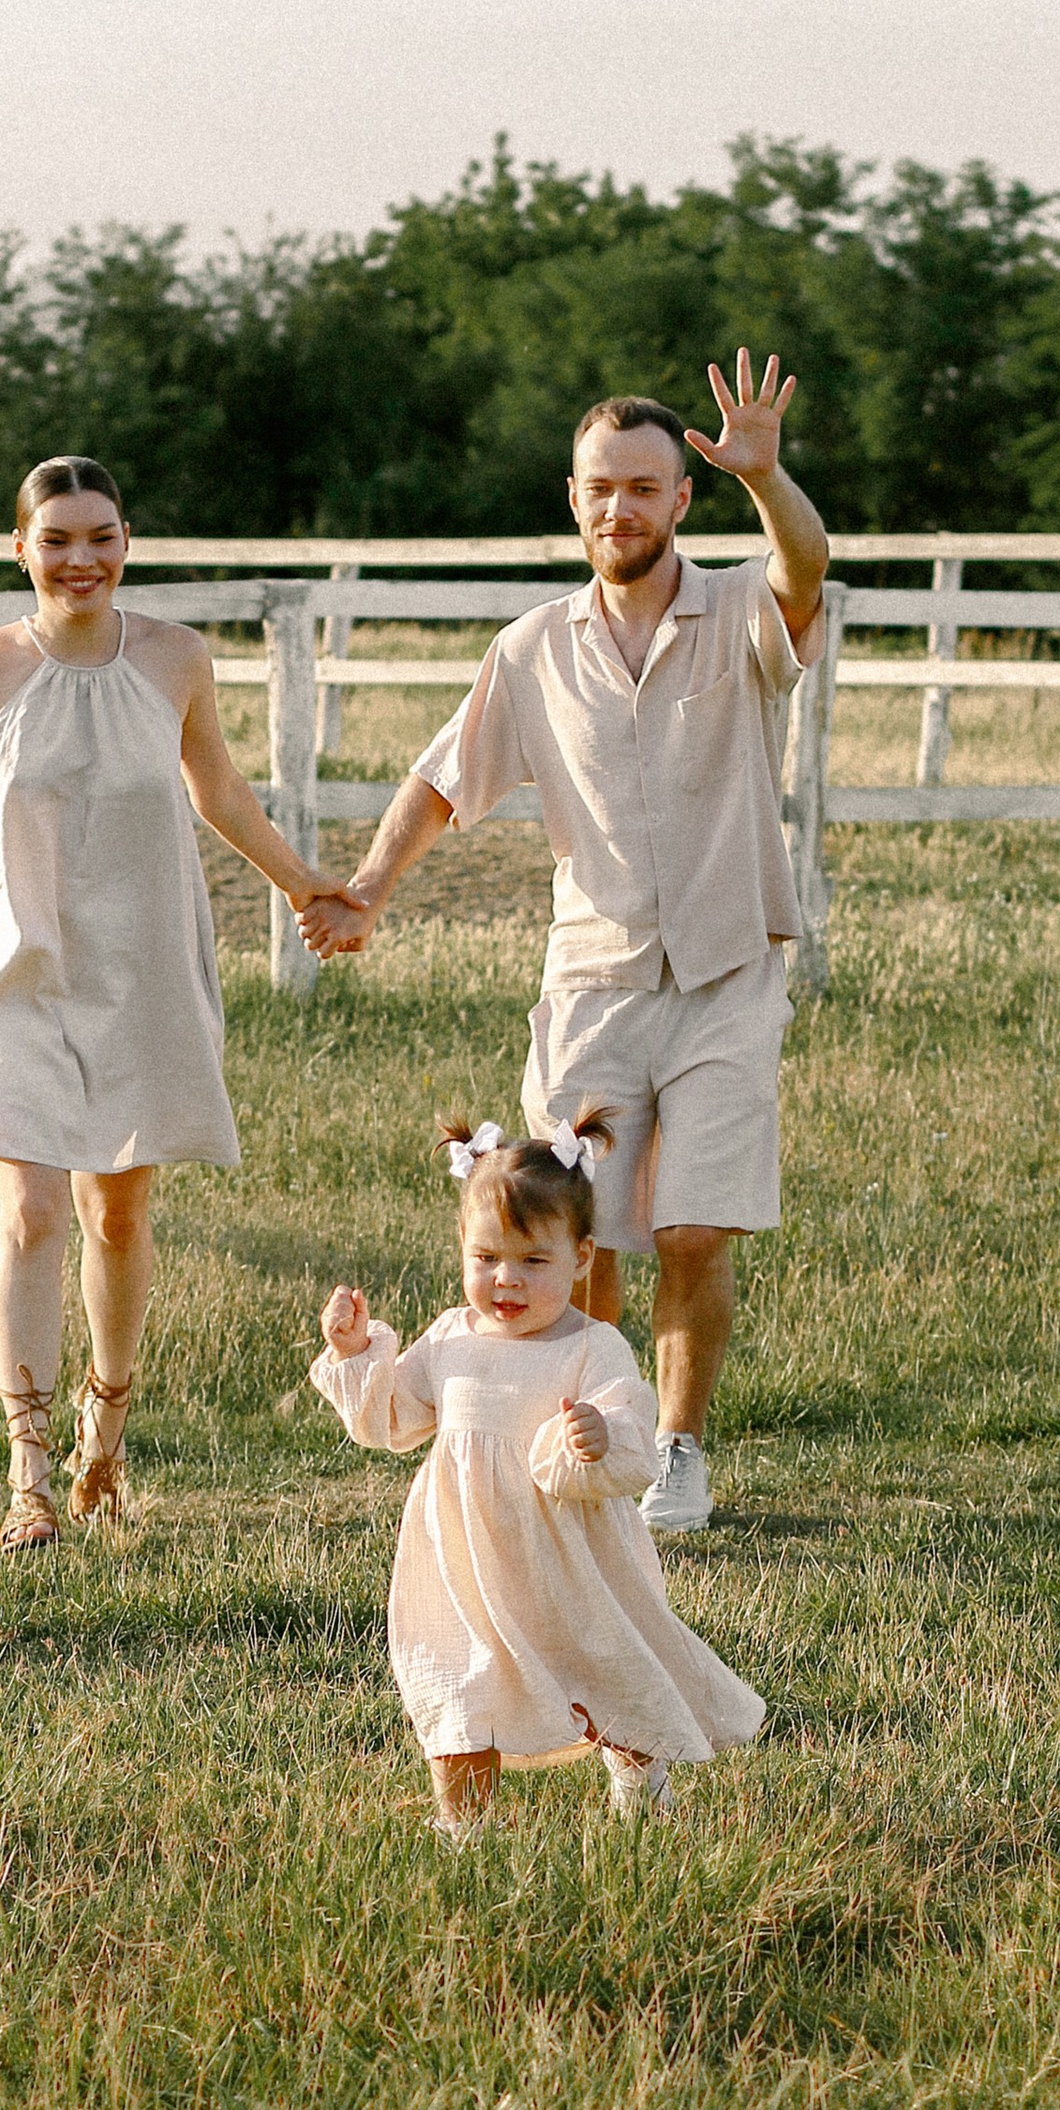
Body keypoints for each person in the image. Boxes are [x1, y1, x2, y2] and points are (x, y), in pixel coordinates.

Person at [0, 456, 360, 1554]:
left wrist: (304, 883)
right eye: (58, 540)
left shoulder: (178, 660)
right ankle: (27, 1475)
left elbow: (219, 789)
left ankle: (108, 1430)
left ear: (126, 541)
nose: (81, 559)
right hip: (14, 965)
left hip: (136, 964)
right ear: (22, 551)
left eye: (101, 538)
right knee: (34, 1209)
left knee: (117, 1213)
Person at [302, 352, 829, 1535]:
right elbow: (443, 779)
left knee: (695, 1228)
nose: (619, 508)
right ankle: (564, 1444)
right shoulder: (533, 647)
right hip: (593, 979)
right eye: (600, 488)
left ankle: (675, 1455)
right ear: (573, 497)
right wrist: (371, 889)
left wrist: (767, 477)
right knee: (570, 1243)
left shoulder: (738, 609)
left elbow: (805, 569)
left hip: (729, 969)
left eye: (643, 487)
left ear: (679, 500)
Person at [310, 1115, 765, 1841]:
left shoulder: (590, 1347)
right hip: (463, 1562)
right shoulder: (452, 1339)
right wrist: (359, 1349)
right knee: (458, 1683)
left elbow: (627, 1427)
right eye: (487, 1257)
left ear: (582, 1258)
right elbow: (392, 1419)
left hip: (569, 1560)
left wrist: (596, 1433)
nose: (506, 1280)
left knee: (608, 1666)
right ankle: (466, 1827)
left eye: (533, 1261)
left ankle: (640, 1781)